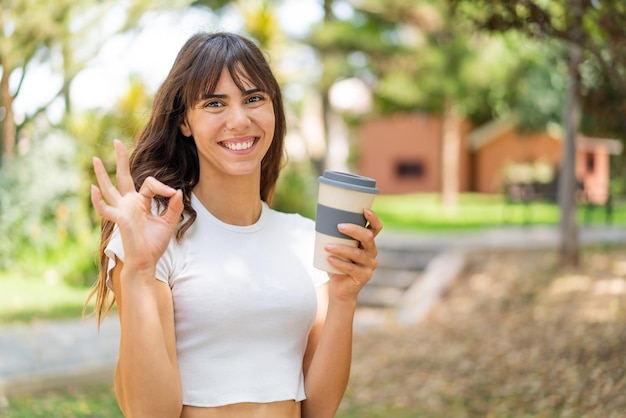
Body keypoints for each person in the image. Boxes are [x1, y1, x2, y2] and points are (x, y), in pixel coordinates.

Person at [87, 31, 383, 418]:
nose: (239, 120)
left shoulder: (301, 239)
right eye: (214, 103)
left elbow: (318, 408)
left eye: (254, 98)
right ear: (185, 123)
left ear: (274, 108)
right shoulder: (154, 238)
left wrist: (344, 298)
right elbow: (149, 412)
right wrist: (139, 271)